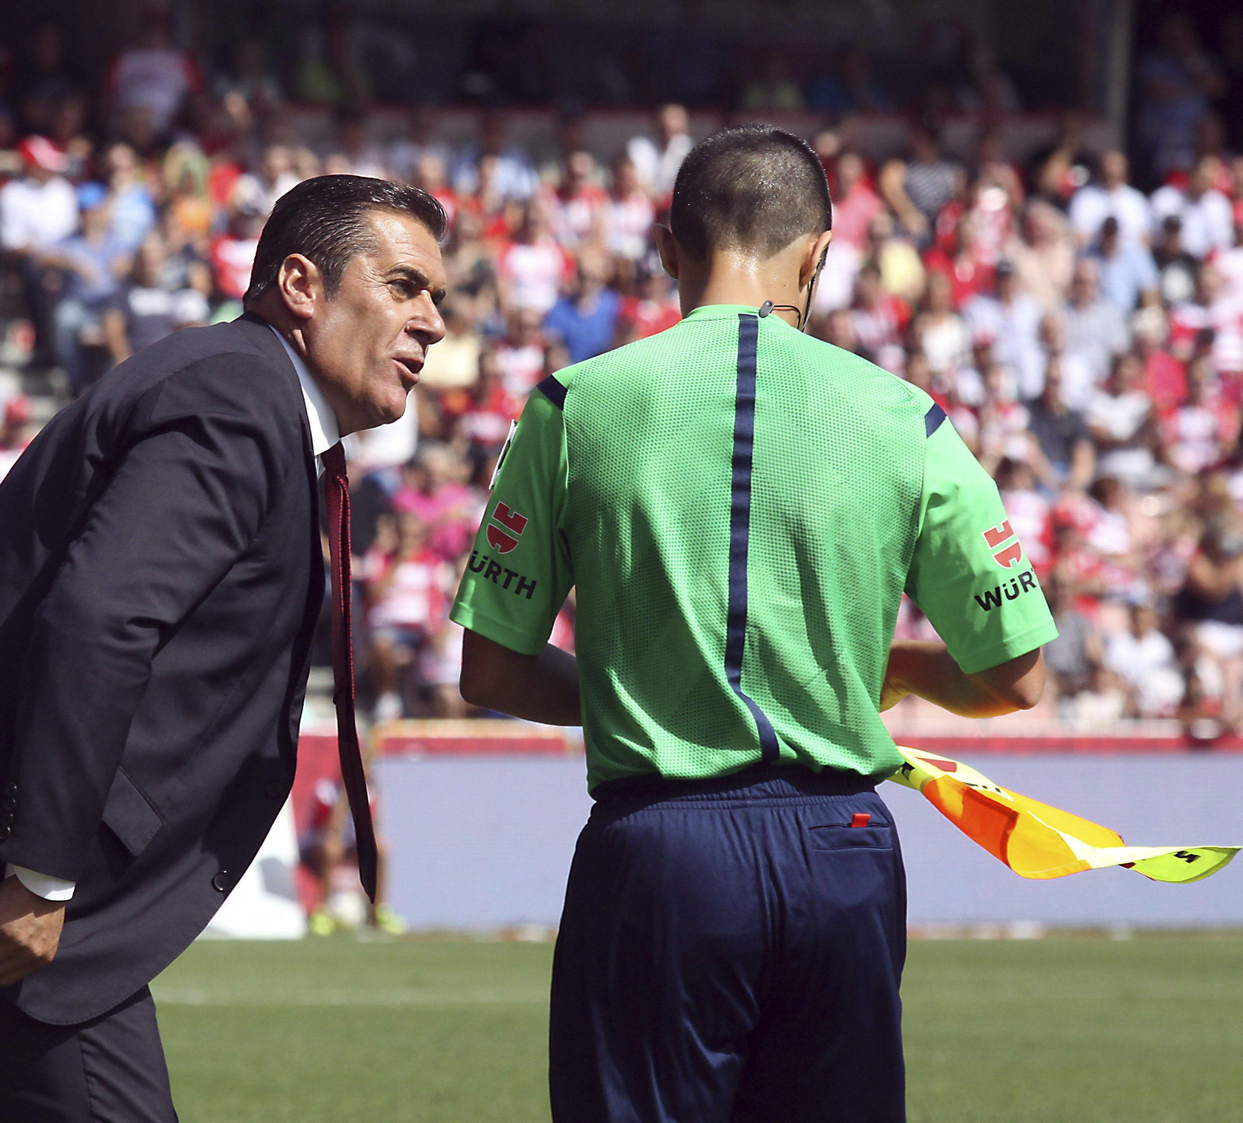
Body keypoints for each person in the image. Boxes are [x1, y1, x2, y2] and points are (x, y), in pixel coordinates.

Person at [0, 175, 447, 1123]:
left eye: (436, 295)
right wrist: (39, 872)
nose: (432, 322)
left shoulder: (250, 396)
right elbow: (101, 620)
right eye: (404, 286)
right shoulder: (240, 393)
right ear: (301, 285)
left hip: (1, 872)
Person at [450, 125, 1053, 1123]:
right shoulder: (906, 416)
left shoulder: (573, 404)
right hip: (842, 845)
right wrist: (896, 666)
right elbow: (1015, 675)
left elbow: (493, 668)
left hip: (657, 854)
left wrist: (649, 690)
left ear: (665, 249)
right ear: (819, 254)